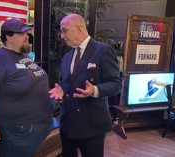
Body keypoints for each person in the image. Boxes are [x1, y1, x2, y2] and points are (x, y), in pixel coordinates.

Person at [0, 19, 54, 157]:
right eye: (22, 33)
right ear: (8, 37)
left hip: (40, 124)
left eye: (27, 32)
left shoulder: (23, 55)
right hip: (19, 131)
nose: (27, 36)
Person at [49, 13, 122, 157]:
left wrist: (94, 90)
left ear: (79, 28)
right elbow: (66, 83)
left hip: (92, 125)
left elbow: (116, 84)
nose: (62, 36)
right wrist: (61, 90)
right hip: (68, 123)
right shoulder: (66, 57)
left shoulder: (103, 51)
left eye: (64, 30)